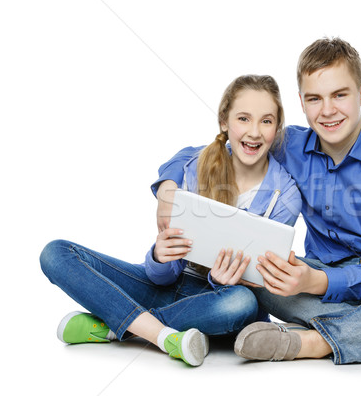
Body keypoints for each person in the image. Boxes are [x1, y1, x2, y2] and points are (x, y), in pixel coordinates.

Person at [152, 38, 361, 366]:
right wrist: (168, 188)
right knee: (261, 275)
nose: (327, 111)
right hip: (320, 273)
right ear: (301, 102)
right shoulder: (288, 144)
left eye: (339, 95)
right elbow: (212, 148)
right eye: (315, 99)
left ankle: (317, 341)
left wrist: (316, 282)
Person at [40, 74, 302, 367]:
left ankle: (120, 325)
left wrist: (219, 279)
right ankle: (165, 336)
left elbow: (258, 281)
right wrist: (159, 257)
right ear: (224, 122)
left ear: (277, 129)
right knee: (56, 253)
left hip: (216, 303)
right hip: (165, 289)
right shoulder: (194, 166)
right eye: (243, 118)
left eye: (266, 121)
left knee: (241, 303)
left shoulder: (286, 196)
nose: (254, 132)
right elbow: (159, 277)